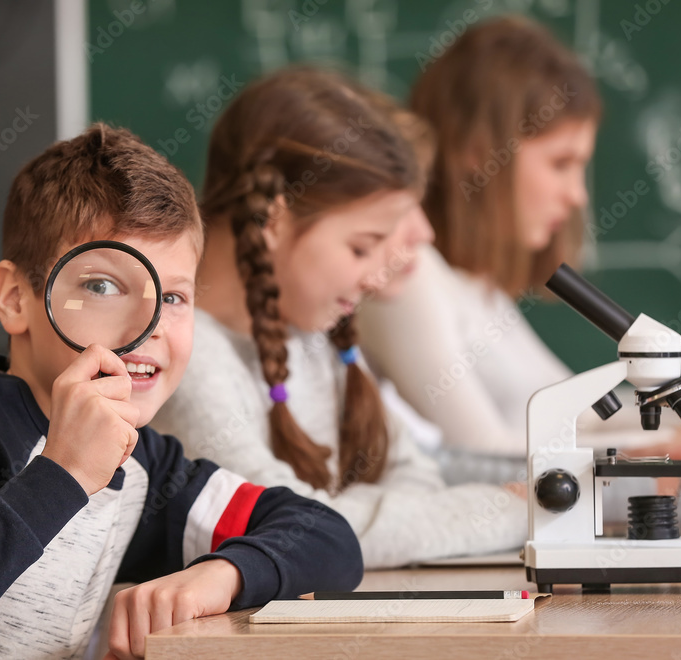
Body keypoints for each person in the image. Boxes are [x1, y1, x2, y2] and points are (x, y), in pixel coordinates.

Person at [0, 125, 363, 660]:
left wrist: (226, 573)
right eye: (103, 285)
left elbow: (327, 536)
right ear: (16, 298)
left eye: (174, 297)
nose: (149, 325)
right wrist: (62, 476)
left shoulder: (143, 461)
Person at [359, 15, 681, 514]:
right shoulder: (409, 280)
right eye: (561, 163)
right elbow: (479, 457)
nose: (577, 195)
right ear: (481, 153)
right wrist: (659, 462)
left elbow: (582, 416)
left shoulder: (475, 288)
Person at [151, 66, 528, 571]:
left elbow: (414, 473)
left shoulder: (310, 336)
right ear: (274, 219)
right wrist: (510, 510)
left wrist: (389, 522)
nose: (377, 277)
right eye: (361, 247)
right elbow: (293, 529)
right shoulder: (185, 357)